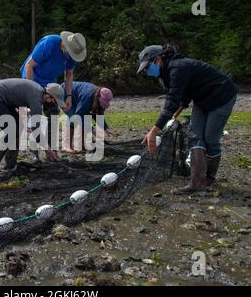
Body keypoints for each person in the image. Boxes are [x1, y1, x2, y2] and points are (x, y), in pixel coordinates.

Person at [138, 45, 238, 195]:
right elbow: (184, 96)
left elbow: (172, 100)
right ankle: (197, 183)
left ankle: (209, 178)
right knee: (194, 135)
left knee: (210, 139)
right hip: (202, 99)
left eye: (148, 67)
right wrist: (175, 114)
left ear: (158, 59)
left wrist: (154, 131)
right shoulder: (167, 73)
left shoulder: (178, 67)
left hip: (222, 97)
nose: (147, 71)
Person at [20, 31, 87, 162]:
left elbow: (69, 75)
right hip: (32, 78)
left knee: (53, 115)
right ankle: (34, 153)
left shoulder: (72, 55)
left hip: (50, 83)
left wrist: (68, 96)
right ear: (65, 44)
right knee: (35, 117)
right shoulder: (49, 43)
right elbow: (29, 66)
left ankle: (53, 152)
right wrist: (32, 91)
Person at [0, 78, 64, 174]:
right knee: (11, 129)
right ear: (48, 96)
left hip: (5, 100)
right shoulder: (36, 99)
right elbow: (35, 129)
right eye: (53, 101)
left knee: (18, 128)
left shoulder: (38, 93)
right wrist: (48, 150)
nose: (52, 104)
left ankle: (10, 164)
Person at [61, 82, 114, 153]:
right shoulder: (87, 97)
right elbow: (78, 116)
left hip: (76, 97)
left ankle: (82, 145)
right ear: (98, 97)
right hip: (65, 93)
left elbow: (99, 114)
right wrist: (92, 129)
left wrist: (106, 128)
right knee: (73, 118)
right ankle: (67, 146)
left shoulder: (95, 98)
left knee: (86, 119)